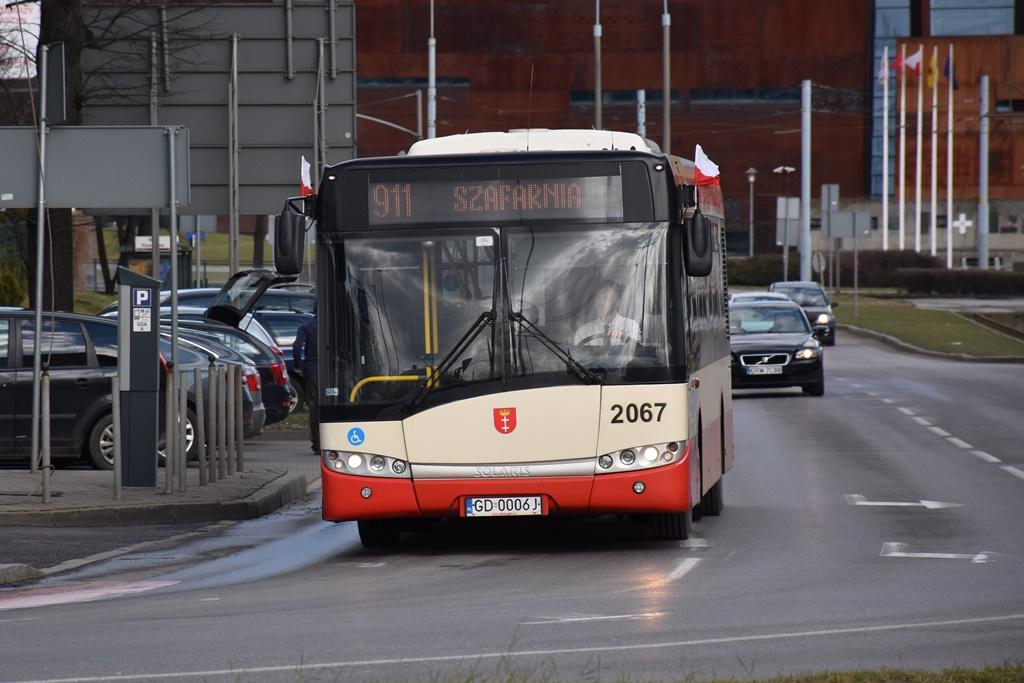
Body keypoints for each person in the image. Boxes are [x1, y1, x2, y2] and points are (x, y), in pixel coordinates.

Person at [573, 281, 641, 346]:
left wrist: (625, 337)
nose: (600, 302)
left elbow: (636, 352)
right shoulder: (583, 332)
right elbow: (576, 355)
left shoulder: (630, 327)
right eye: (598, 298)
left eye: (605, 298)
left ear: (618, 302)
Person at [293, 310, 319, 453]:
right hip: (331, 370)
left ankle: (317, 443)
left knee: (314, 406)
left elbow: (297, 346)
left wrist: (299, 366)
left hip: (312, 369)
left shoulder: (306, 326)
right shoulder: (332, 325)